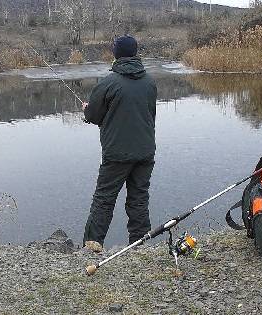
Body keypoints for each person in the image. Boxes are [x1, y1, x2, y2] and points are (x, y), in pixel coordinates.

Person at [82, 35, 157, 252]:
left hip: (116, 153)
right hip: (145, 152)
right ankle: (140, 244)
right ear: (135, 53)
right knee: (139, 198)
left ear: (116, 54)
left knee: (104, 198)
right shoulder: (150, 82)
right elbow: (149, 115)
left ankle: (93, 244)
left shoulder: (108, 83)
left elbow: (94, 116)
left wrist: (86, 109)